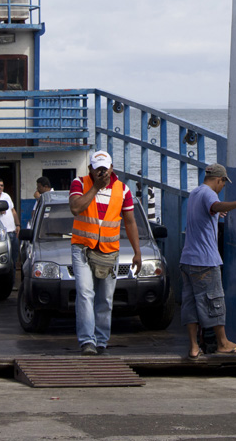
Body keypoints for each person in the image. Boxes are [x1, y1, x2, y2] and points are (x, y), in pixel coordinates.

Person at [68, 150, 142, 355]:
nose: (101, 172)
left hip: (109, 251)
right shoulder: (79, 183)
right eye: (97, 168)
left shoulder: (123, 190)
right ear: (90, 169)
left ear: (111, 168)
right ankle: (87, 341)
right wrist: (95, 189)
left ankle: (101, 341)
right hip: (82, 248)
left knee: (106, 299)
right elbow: (75, 208)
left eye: (104, 168)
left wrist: (137, 252)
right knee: (84, 293)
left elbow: (130, 221)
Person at [180, 163, 236, 358]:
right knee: (215, 301)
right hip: (205, 261)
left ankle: (194, 347)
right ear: (218, 180)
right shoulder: (210, 195)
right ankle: (223, 343)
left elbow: (209, 212)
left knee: (191, 304)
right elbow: (215, 205)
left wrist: (216, 214)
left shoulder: (195, 193)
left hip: (187, 259)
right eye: (223, 184)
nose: (223, 188)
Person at [0, 178, 20, 271]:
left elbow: (13, 210)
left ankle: (12, 284)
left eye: (2, 185)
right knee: (0, 260)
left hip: (12, 232)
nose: (0, 187)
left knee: (13, 260)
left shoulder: (6, 196)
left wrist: (17, 225)